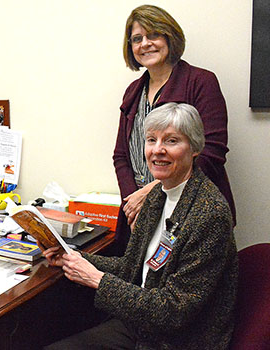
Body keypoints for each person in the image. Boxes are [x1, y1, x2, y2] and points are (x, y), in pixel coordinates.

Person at [42, 103, 238, 349]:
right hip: (142, 324)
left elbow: (173, 311)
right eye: (151, 140)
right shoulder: (158, 196)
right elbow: (132, 267)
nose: (158, 150)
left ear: (195, 148)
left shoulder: (209, 213)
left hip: (178, 340)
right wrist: (73, 257)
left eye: (172, 141)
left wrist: (96, 279)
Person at [113, 4, 236, 252]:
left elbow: (212, 152)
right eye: (137, 39)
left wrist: (152, 193)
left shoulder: (201, 82)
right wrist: (132, 203)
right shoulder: (133, 93)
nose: (145, 44)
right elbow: (121, 157)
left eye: (153, 35)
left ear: (170, 37)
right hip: (141, 216)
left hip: (192, 214)